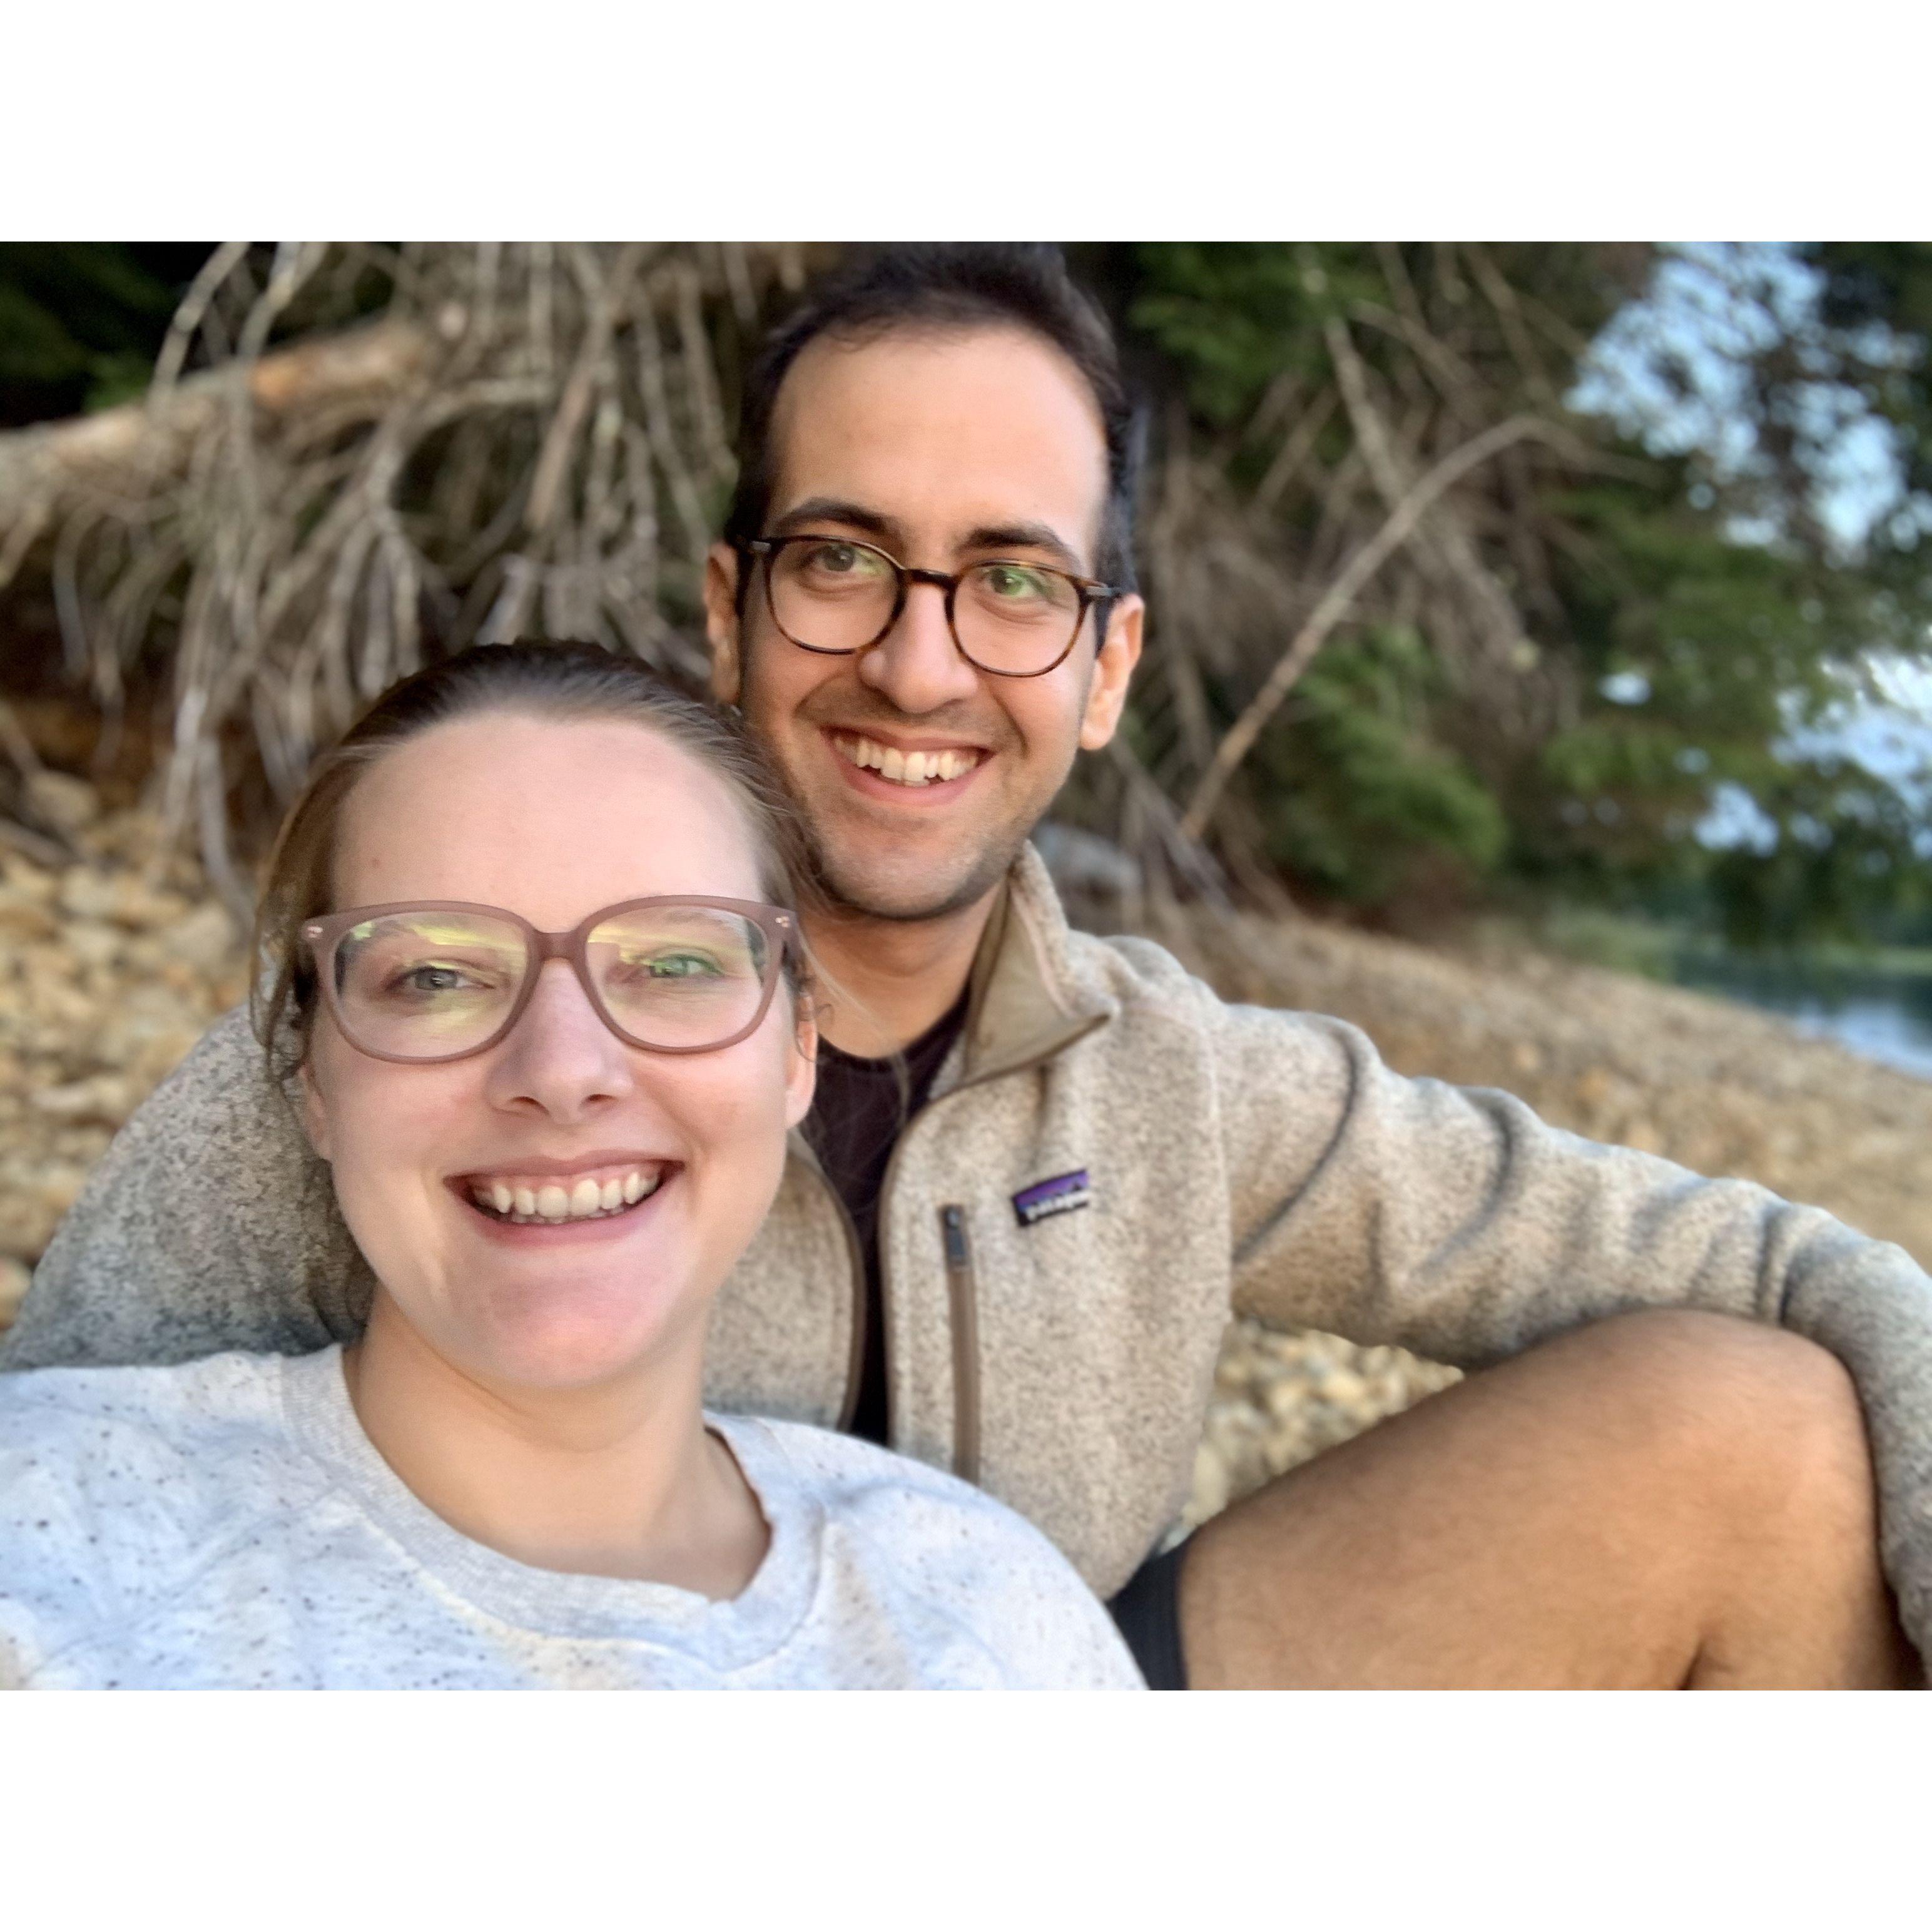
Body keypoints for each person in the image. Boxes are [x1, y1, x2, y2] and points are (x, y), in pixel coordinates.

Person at [12, 245, 1931, 1690]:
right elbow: (78, 1488)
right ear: (728, 606)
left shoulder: (1177, 1081)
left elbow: (1762, 1263)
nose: (922, 669)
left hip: (1048, 1696)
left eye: (1015, 582)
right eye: (843, 557)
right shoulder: (422, 1063)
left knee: (1748, 1427)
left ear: (1102, 670)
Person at [0, 646, 1144, 1689]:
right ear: (312, 1077)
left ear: (799, 1048)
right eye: (437, 979)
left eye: (674, 963)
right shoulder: (55, 1537)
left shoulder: (989, 1614)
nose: (562, 1069)